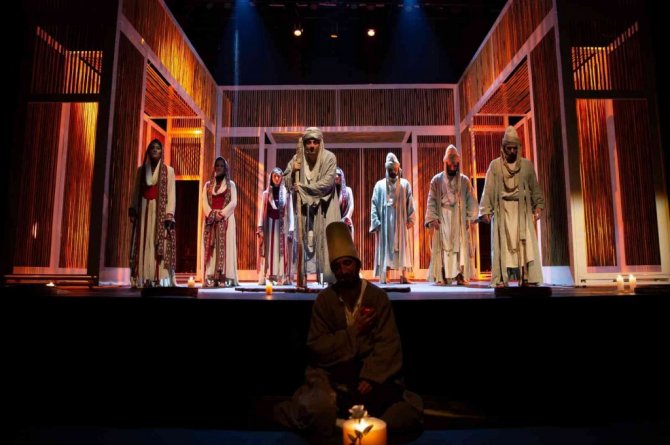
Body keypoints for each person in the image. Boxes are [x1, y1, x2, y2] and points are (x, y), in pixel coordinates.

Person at [274, 221, 422, 439]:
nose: (343, 271)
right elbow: (318, 347)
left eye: (347, 263)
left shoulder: (377, 298)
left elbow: (389, 344)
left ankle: (347, 425)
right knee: (319, 411)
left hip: (371, 379)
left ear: (357, 265)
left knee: (402, 415)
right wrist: (355, 331)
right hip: (332, 377)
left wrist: (371, 377)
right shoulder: (325, 300)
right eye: (337, 267)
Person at [480, 126, 544, 287]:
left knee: (525, 245)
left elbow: (535, 188)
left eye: (515, 148)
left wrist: (538, 205)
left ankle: (527, 276)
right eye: (509, 148)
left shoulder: (527, 166)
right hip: (502, 211)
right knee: (502, 246)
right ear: (503, 148)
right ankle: (501, 278)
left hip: (522, 210)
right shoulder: (495, 166)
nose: (512, 151)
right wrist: (485, 209)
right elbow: (488, 189)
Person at [284, 127, 341, 284]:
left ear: (320, 143)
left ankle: (331, 281)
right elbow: (286, 182)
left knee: (328, 243)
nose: (311, 146)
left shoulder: (329, 158)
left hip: (325, 207)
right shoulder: (297, 159)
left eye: (315, 142)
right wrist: (292, 171)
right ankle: (302, 279)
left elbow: (327, 184)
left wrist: (303, 189)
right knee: (304, 242)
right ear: (304, 144)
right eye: (308, 142)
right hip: (305, 210)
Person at [425, 145, 479, 285]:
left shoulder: (464, 181)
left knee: (460, 246)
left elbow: (471, 199)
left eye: (455, 165)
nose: (453, 167)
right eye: (451, 164)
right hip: (442, 216)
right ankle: (442, 275)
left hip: (458, 217)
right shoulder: (436, 180)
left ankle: (460, 275)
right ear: (445, 163)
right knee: (443, 247)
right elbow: (431, 200)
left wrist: (469, 217)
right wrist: (433, 218)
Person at [129, 139, 176, 288]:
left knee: (157, 242)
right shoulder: (141, 170)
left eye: (158, 148)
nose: (155, 150)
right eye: (152, 148)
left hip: (159, 210)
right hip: (144, 208)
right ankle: (145, 277)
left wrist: (169, 213)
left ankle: (158, 277)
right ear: (148, 151)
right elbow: (136, 191)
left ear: (162, 152)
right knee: (144, 241)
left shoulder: (168, 171)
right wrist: (133, 208)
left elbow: (171, 193)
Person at [370, 153, 415, 284]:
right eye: (390, 169)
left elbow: (410, 202)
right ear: (386, 169)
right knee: (386, 247)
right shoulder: (379, 185)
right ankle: (386, 275)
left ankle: (404, 276)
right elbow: (374, 203)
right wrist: (376, 221)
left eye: (395, 168)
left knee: (402, 247)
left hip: (400, 222)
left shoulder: (405, 184)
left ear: (398, 168)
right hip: (385, 223)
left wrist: (411, 218)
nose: (393, 171)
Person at [201, 157, 239, 287]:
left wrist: (221, 214)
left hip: (226, 220)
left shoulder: (231, 185)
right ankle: (211, 276)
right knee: (211, 247)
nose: (219, 168)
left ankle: (224, 276)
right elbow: (204, 202)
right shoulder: (207, 185)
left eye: (221, 166)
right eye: (217, 165)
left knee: (225, 247)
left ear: (225, 168)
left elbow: (233, 202)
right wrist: (212, 214)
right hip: (211, 220)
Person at [257, 167, 294, 285]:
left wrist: (291, 229)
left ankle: (281, 276)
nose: (277, 178)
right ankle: (270, 276)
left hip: (282, 226)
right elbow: (261, 211)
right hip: (269, 226)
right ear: (271, 178)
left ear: (282, 177)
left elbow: (290, 212)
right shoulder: (266, 194)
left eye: (279, 176)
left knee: (282, 251)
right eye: (275, 176)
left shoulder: (287, 194)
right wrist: (260, 227)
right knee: (269, 250)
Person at [335, 167, 354, 237]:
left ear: (342, 177)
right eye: (335, 174)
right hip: (333, 224)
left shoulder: (348, 190)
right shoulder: (330, 193)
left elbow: (351, 206)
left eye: (339, 175)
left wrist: (347, 217)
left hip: (345, 223)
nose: (337, 176)